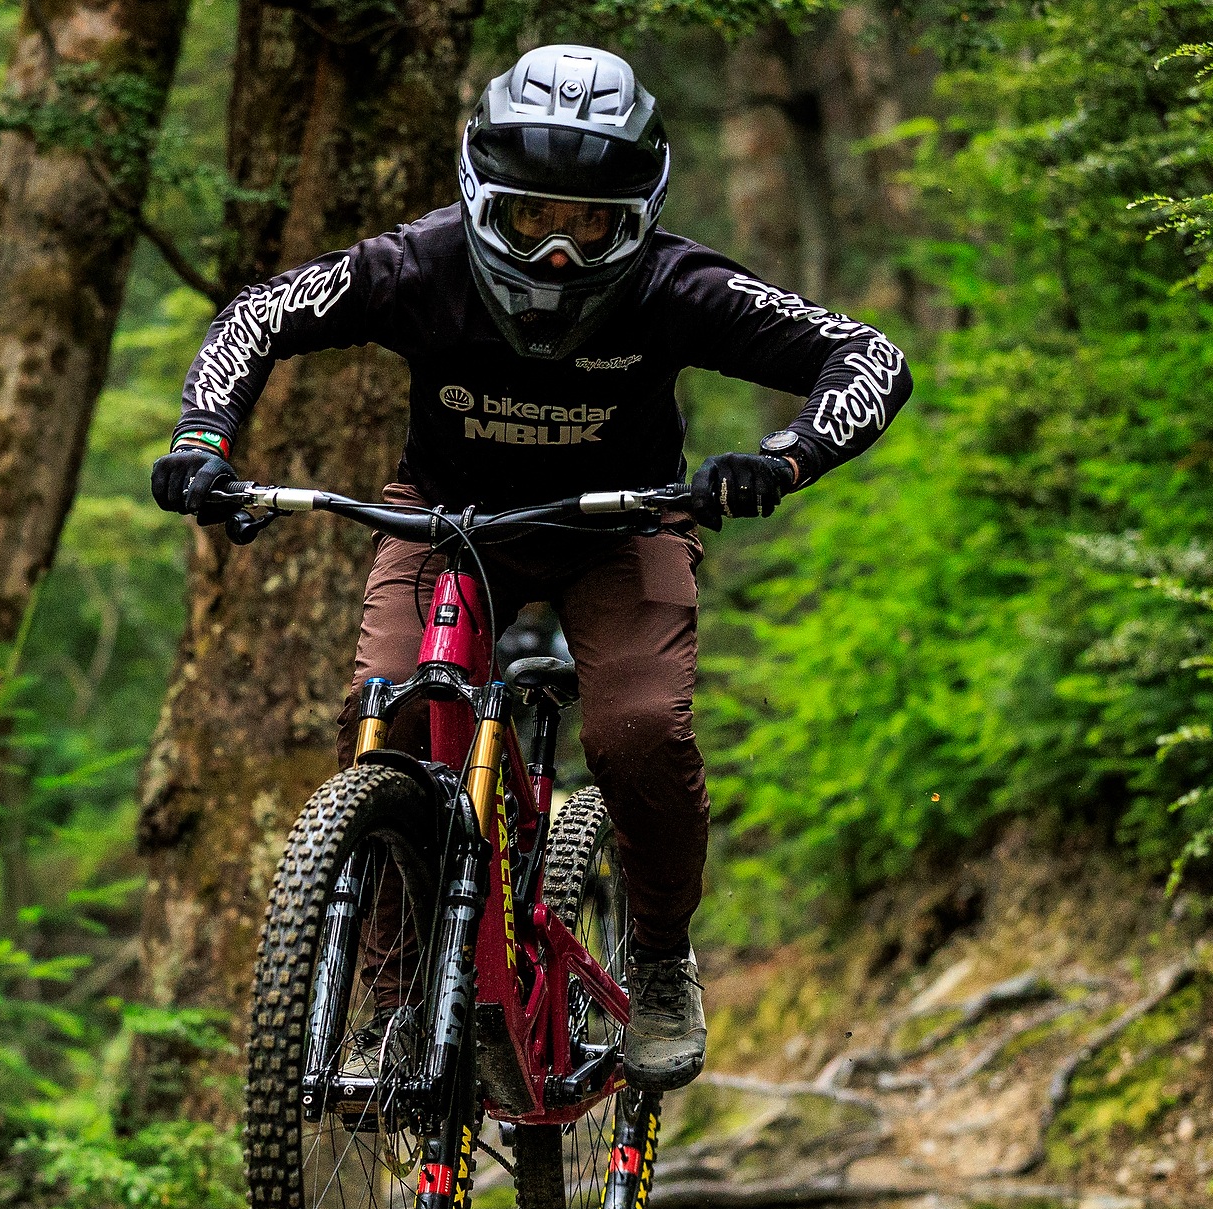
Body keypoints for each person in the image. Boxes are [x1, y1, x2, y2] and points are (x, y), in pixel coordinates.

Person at [148, 43, 912, 1091]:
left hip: (624, 523)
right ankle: (393, 999)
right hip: (445, 519)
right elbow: (257, 315)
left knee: (636, 731)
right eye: (530, 219)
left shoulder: (675, 286)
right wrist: (205, 440)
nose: (557, 252)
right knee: (390, 716)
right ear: (480, 202)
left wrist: (781, 460)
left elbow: (868, 356)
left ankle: (656, 958)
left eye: (587, 224)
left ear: (633, 216)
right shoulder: (419, 266)